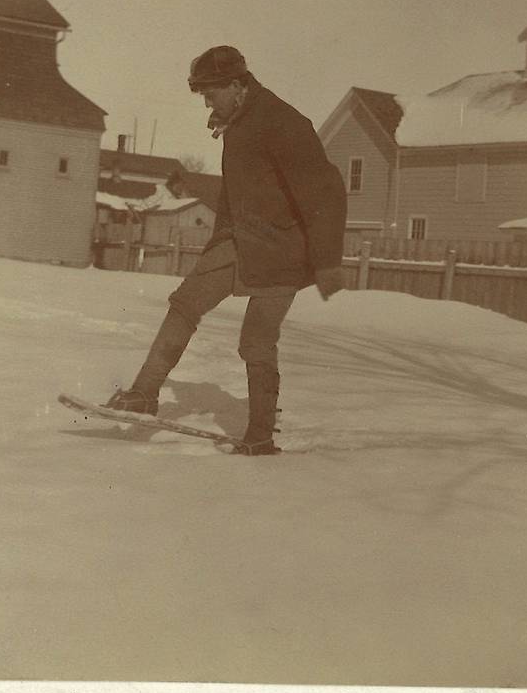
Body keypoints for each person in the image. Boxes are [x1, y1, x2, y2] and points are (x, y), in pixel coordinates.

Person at [105, 45, 347, 455]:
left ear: (238, 86)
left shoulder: (285, 123)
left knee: (256, 342)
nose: (207, 103)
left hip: (283, 251)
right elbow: (236, 193)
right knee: (185, 303)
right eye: (204, 96)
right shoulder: (237, 121)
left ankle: (259, 433)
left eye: (212, 94)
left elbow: (325, 192)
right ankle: (144, 393)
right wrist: (218, 243)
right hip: (240, 239)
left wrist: (326, 261)